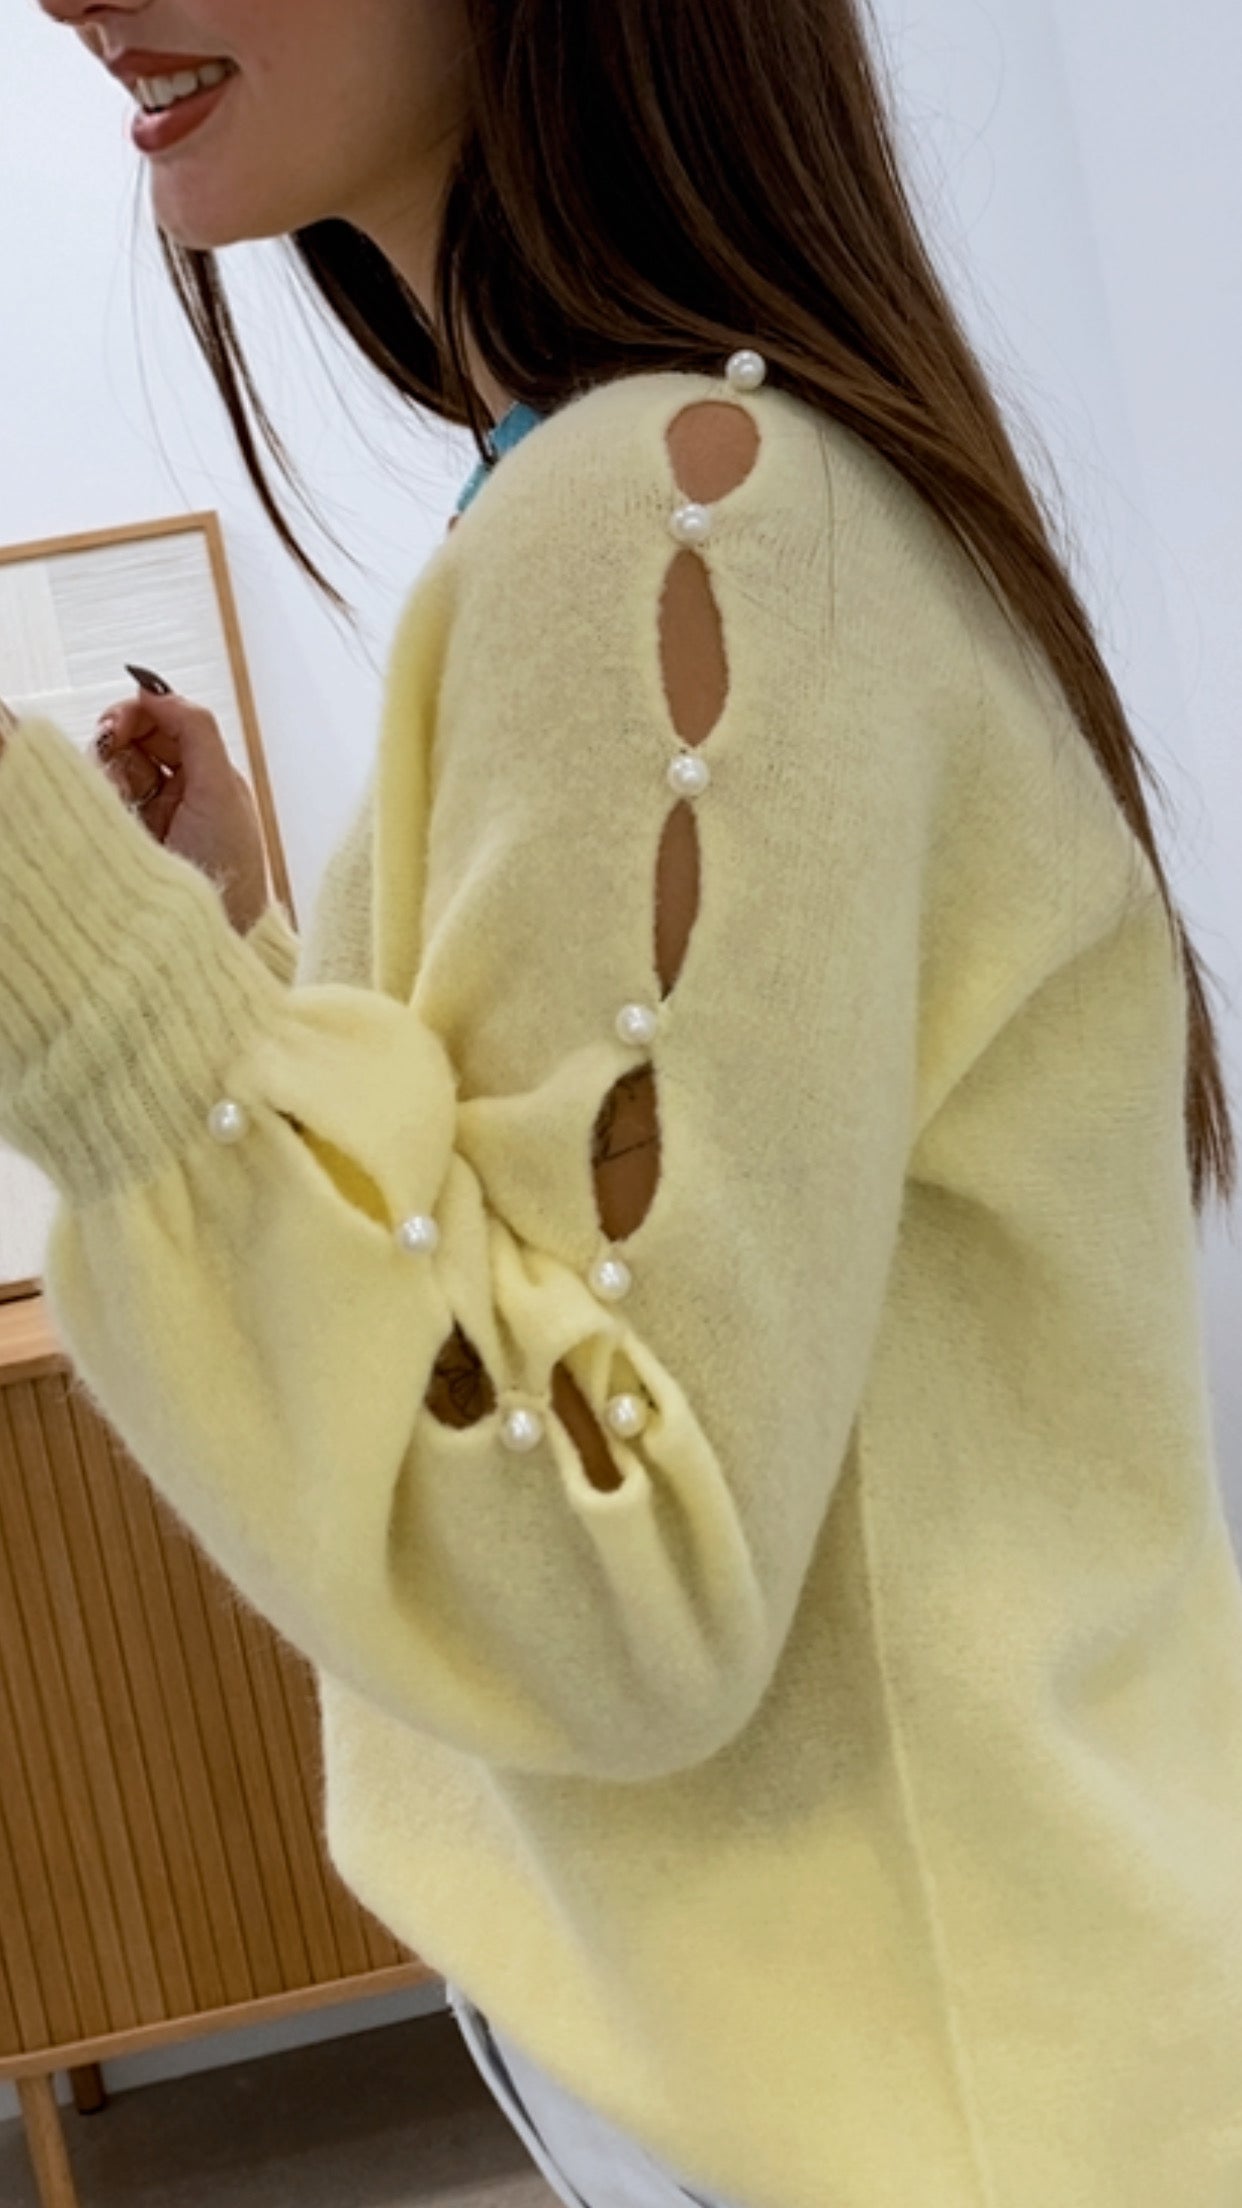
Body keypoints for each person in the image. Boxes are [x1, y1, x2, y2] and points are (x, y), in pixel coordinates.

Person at [4, 4, 1242, 2205]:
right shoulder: (689, 484)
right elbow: (587, 1305)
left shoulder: (678, 517)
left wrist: (93, 980)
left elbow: (602, 1576)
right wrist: (232, 958)